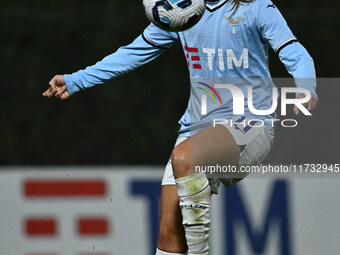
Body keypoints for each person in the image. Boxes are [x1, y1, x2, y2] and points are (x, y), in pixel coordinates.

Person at [43, 0, 318, 254]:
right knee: (167, 233)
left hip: (250, 124)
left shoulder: (256, 6)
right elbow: (133, 52)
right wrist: (76, 80)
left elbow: (294, 51)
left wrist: (306, 87)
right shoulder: (182, 13)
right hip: (196, 127)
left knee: (183, 157)